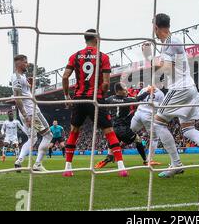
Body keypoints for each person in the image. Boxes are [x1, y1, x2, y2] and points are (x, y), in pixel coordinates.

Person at [150, 13, 199, 179]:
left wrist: (151, 61)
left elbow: (167, 68)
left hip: (179, 89)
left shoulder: (169, 42)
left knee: (158, 123)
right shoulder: (173, 41)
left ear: (156, 27)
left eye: (153, 27)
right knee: (188, 129)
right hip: (189, 89)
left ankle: (176, 164)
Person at [62, 29, 127, 177]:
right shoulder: (102, 57)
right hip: (95, 98)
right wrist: (101, 96)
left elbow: (65, 77)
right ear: (97, 39)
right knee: (109, 132)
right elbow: (105, 83)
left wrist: (67, 96)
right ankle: (121, 167)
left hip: (79, 98)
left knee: (74, 132)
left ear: (85, 40)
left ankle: (67, 168)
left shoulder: (75, 56)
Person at [94, 82, 154, 169]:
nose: (126, 90)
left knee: (113, 144)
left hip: (112, 128)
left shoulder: (110, 99)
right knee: (138, 140)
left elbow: (101, 102)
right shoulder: (127, 100)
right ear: (119, 91)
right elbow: (138, 98)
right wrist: (148, 91)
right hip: (123, 129)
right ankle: (145, 161)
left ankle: (107, 159)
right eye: (124, 89)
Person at [12, 55, 53, 172]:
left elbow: (26, 95)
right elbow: (17, 98)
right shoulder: (16, 78)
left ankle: (19, 160)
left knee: (33, 138)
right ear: (18, 63)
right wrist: (26, 116)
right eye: (25, 62)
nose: (27, 64)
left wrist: (31, 86)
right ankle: (38, 164)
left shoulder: (22, 77)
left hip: (27, 113)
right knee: (48, 135)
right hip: (31, 112)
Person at [130, 80, 165, 166]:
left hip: (138, 113)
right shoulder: (160, 93)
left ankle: (113, 153)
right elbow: (161, 108)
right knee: (155, 138)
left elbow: (137, 99)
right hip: (148, 115)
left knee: (128, 133)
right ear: (159, 83)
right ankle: (149, 160)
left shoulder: (144, 89)